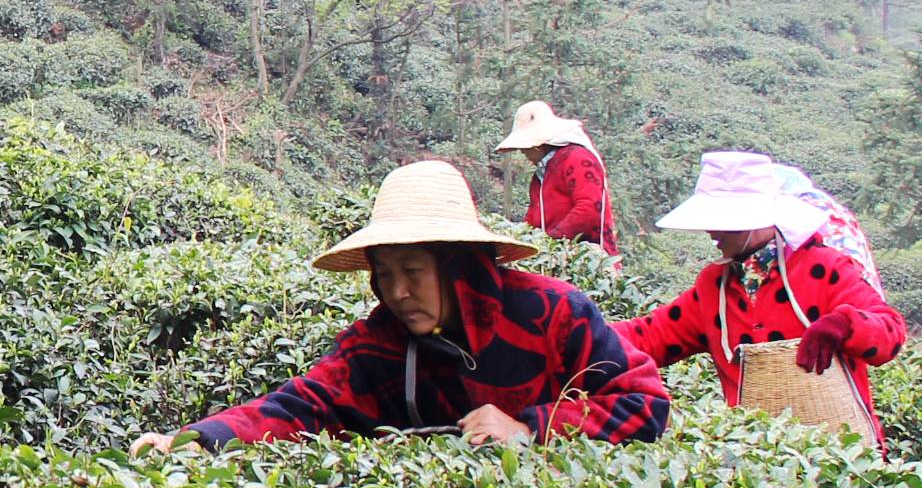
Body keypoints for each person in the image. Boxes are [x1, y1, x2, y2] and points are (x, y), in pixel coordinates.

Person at [135, 160, 669, 452]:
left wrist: (530, 426)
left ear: (457, 265)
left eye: (412, 272)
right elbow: (298, 407)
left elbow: (644, 407)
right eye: (384, 275)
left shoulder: (555, 312)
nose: (397, 292)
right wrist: (197, 439)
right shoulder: (381, 344)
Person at [617, 151, 905, 448]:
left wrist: (844, 324)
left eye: (723, 221)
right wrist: (577, 329)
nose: (711, 231)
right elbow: (653, 335)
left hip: (842, 457)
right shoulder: (714, 286)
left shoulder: (823, 267)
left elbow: (890, 331)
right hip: (759, 464)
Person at [494, 99, 619, 255]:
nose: (523, 153)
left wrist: (550, 241)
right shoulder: (541, 176)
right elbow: (534, 219)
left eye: (524, 148)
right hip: (557, 253)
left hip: (587, 255)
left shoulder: (577, 159)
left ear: (537, 145)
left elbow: (590, 209)